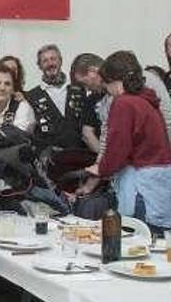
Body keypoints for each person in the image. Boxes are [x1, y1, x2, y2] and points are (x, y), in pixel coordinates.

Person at [85, 51, 171, 234]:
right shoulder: (147, 101)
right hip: (161, 185)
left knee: (137, 243)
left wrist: (100, 168)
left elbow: (118, 148)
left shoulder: (124, 104)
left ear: (112, 81)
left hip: (141, 187)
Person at [25, 44, 89, 151]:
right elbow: (30, 131)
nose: (50, 64)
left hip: (79, 154)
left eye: (53, 59)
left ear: (60, 61)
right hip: (50, 158)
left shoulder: (80, 90)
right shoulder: (31, 96)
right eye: (45, 61)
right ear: (39, 66)